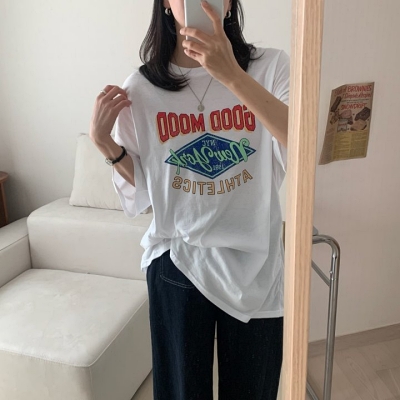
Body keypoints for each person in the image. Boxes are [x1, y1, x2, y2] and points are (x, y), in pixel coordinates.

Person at [89, 0, 289, 399]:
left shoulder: (271, 67)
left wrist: (232, 75)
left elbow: (302, 144)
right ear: (166, 3)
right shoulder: (141, 88)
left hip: (258, 265)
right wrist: (105, 144)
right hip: (178, 261)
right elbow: (149, 193)